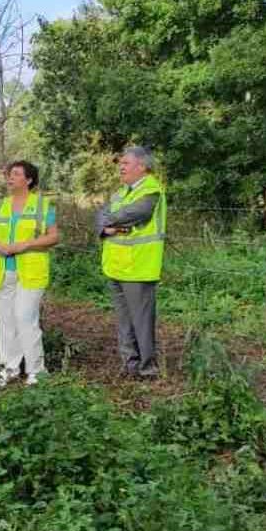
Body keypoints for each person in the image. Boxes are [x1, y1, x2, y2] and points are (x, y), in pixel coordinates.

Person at [0, 160, 59, 388]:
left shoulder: (44, 206)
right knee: (6, 322)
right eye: (9, 174)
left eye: (15, 174)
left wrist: (23, 245)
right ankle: (9, 368)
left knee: (25, 318)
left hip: (31, 272)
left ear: (28, 180)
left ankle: (36, 371)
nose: (10, 177)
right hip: (2, 271)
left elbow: (53, 237)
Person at [95, 146, 167, 378]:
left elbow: (134, 214)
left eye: (126, 163)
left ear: (142, 166)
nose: (121, 167)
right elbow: (100, 215)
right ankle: (130, 365)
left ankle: (147, 369)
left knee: (141, 321)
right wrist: (105, 227)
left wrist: (109, 221)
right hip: (116, 266)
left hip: (138, 267)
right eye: (121, 163)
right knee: (124, 321)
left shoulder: (151, 189)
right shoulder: (120, 193)